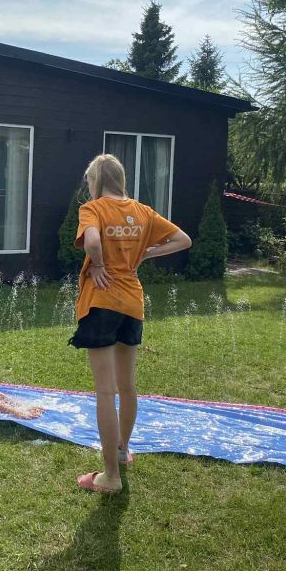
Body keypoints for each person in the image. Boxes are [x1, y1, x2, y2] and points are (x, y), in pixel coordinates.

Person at [71, 154, 191, 494]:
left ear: (96, 180)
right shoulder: (142, 212)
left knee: (105, 391)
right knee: (127, 386)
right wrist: (145, 253)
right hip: (132, 303)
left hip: (102, 302)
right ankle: (123, 451)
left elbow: (93, 242)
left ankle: (110, 476)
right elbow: (183, 239)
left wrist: (98, 264)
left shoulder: (93, 209)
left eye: (89, 180)